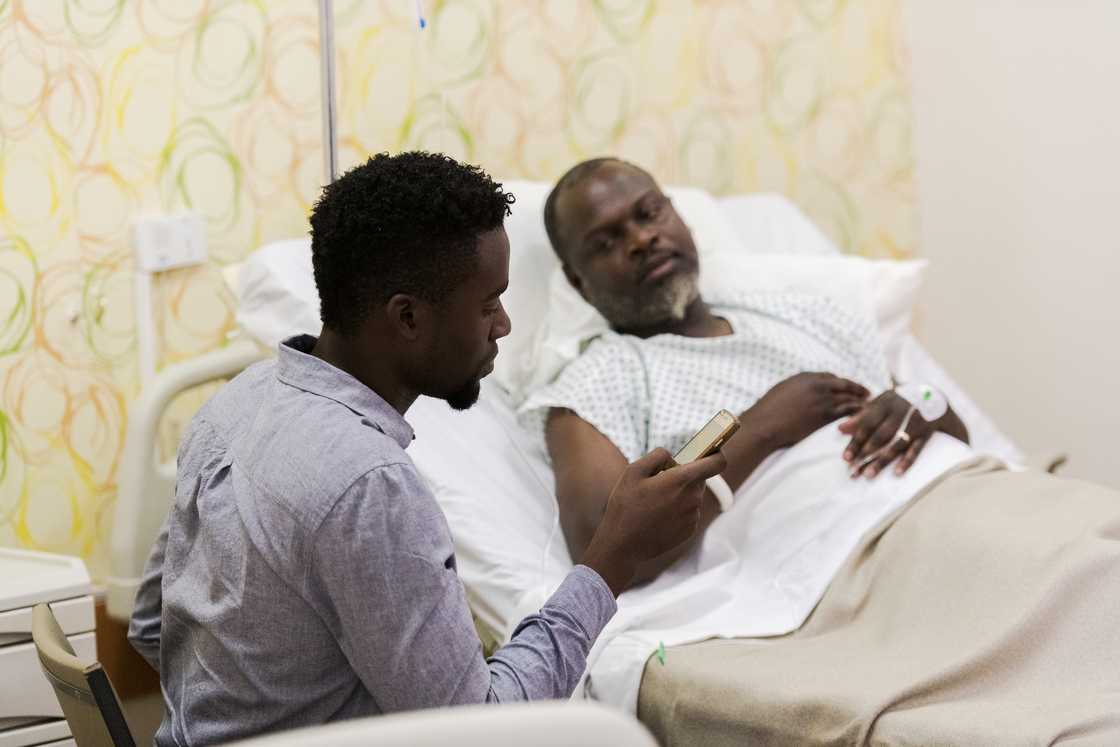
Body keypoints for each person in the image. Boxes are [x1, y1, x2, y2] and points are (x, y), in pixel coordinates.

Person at [127, 152, 725, 747]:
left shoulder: (233, 406)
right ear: (408, 317)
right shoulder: (368, 483)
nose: (505, 325)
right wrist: (609, 562)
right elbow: (479, 731)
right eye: (488, 303)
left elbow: (153, 627)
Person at [522, 157, 973, 584]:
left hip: (953, 499)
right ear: (578, 282)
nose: (641, 240)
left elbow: (952, 432)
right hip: (851, 565)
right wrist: (762, 427)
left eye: (649, 214)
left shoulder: (805, 314)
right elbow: (602, 553)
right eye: (607, 242)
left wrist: (925, 407)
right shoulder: (594, 383)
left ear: (679, 216)